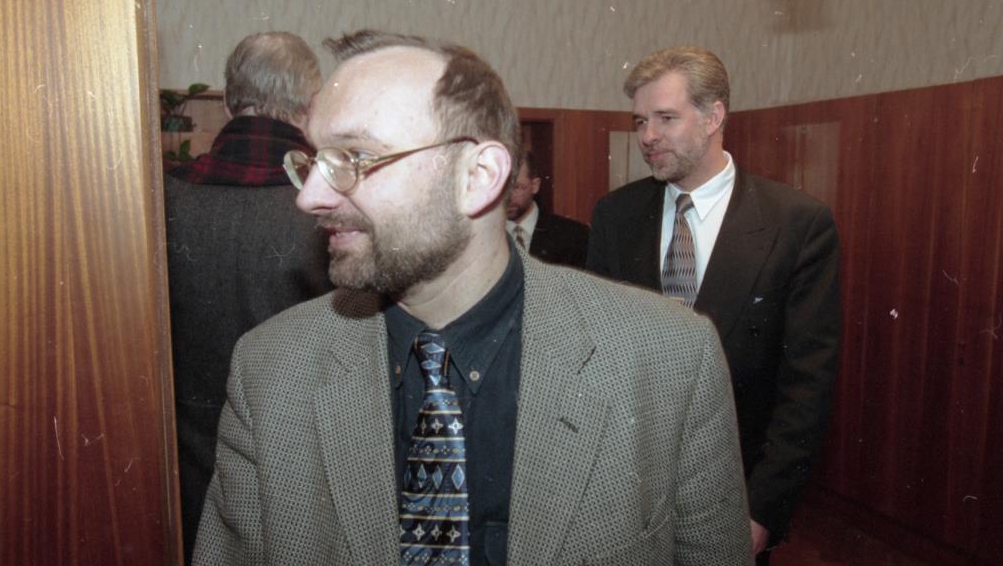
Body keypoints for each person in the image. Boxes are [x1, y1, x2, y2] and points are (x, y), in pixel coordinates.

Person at [193, 29, 751, 565]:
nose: (310, 197)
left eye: (354, 158)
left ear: (479, 175)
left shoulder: (669, 357)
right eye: (315, 162)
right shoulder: (270, 371)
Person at [587, 45, 841, 562]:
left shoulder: (796, 224)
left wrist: (763, 511)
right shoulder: (616, 215)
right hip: (627, 492)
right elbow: (596, 358)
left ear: (714, 116)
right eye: (640, 121)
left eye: (665, 118)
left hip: (735, 494)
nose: (647, 136)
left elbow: (807, 387)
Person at [164, 31, 332, 562]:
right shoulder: (332, 210)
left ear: (229, 102)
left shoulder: (159, 200)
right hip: (304, 467)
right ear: (310, 108)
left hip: (185, 466)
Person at [505, 150, 589, 268]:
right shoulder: (484, 237)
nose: (507, 197)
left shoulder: (573, 237)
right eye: (502, 188)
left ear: (535, 186)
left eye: (516, 187)